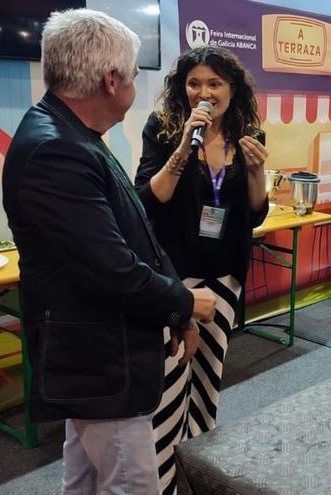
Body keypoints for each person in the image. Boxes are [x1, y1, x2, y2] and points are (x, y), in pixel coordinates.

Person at [1, 9, 216, 494]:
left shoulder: (72, 136)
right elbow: (112, 268)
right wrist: (185, 303)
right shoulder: (57, 150)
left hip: (98, 356)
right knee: (129, 483)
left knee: (84, 479)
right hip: (96, 359)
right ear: (111, 79)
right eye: (136, 77)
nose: (136, 88)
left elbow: (129, 224)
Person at [134, 45, 269, 494]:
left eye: (215, 83)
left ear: (232, 89)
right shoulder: (166, 128)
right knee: (172, 382)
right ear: (183, 88)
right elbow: (149, 202)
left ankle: (199, 476)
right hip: (177, 276)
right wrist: (182, 148)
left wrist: (256, 173)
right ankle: (162, 483)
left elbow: (256, 212)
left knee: (209, 379)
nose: (204, 92)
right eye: (195, 83)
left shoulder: (249, 133)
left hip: (225, 276)